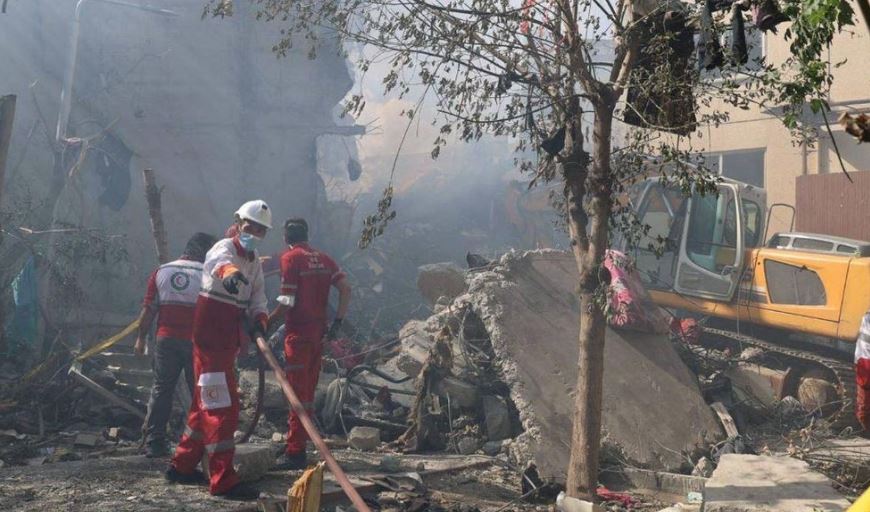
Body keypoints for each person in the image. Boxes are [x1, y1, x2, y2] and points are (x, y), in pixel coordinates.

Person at [165, 200, 272, 499]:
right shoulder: (223, 248)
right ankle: (223, 480)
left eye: (261, 230)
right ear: (239, 223)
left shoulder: (254, 263)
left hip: (228, 343)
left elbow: (259, 299)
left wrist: (260, 320)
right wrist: (230, 274)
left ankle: (182, 465)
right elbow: (217, 265)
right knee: (221, 409)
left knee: (204, 405)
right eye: (251, 226)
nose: (255, 232)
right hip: (210, 340)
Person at [269, 217, 351, 470]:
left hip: (297, 336)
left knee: (296, 394)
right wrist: (337, 321)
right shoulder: (325, 258)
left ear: (285, 237)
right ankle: (300, 442)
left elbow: (286, 301)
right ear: (307, 234)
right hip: (318, 335)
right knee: (307, 393)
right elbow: (346, 288)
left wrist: (267, 322)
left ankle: (296, 452)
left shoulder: (290, 259)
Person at [135, 232, 217, 458]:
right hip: (197, 343)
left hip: (166, 340)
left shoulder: (162, 271)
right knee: (199, 392)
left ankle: (154, 442)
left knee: (162, 389)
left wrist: (141, 338)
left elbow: (149, 310)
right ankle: (202, 441)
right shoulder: (209, 274)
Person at [856, 309, 870, 432]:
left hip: (864, 360)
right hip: (865, 362)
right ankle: (866, 430)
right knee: (864, 403)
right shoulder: (868, 318)